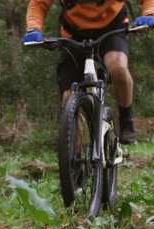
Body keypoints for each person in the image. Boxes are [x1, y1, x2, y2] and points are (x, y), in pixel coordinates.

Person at [22, 0, 154, 144]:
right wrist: (34, 28)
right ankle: (72, 159)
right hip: (74, 33)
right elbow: (39, 4)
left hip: (112, 28)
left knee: (118, 67)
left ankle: (126, 120)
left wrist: (150, 13)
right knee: (68, 97)